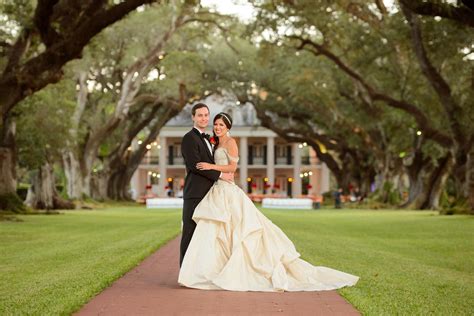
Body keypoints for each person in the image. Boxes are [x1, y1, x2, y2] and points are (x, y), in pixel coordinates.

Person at [178, 112, 358, 292]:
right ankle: (212, 269)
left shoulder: (231, 143)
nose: (217, 128)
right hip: (217, 190)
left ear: (228, 128)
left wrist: (212, 167)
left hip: (228, 191)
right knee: (218, 232)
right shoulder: (214, 142)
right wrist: (216, 171)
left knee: (238, 230)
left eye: (221, 125)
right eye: (216, 124)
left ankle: (236, 271)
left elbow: (233, 168)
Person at [179, 103, 234, 266]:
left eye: (206, 115)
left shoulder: (211, 139)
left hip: (210, 194)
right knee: (189, 232)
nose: (204, 118)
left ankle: (201, 270)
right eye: (200, 115)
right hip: (195, 193)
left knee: (206, 235)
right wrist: (221, 175)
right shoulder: (189, 138)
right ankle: (185, 271)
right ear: (193, 117)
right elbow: (195, 165)